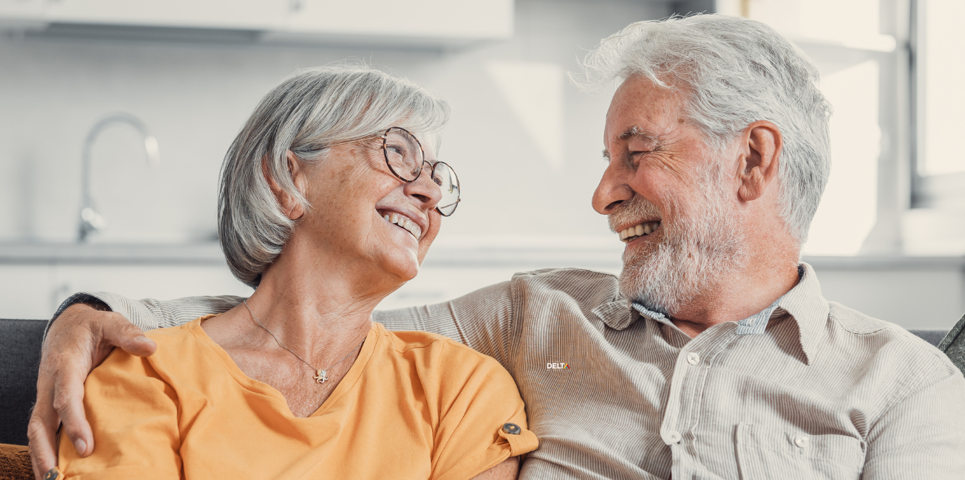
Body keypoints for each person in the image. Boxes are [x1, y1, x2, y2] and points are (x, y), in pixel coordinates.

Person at [30, 14, 965, 480]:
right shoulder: (530, 319)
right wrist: (89, 315)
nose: (601, 195)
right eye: (605, 161)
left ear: (752, 160)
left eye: (634, 155)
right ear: (288, 176)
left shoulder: (904, 388)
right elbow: (304, 324)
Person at [37, 65, 537, 480]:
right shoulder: (148, 373)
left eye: (435, 174)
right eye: (398, 152)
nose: (427, 190)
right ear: (285, 181)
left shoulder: (462, 389)